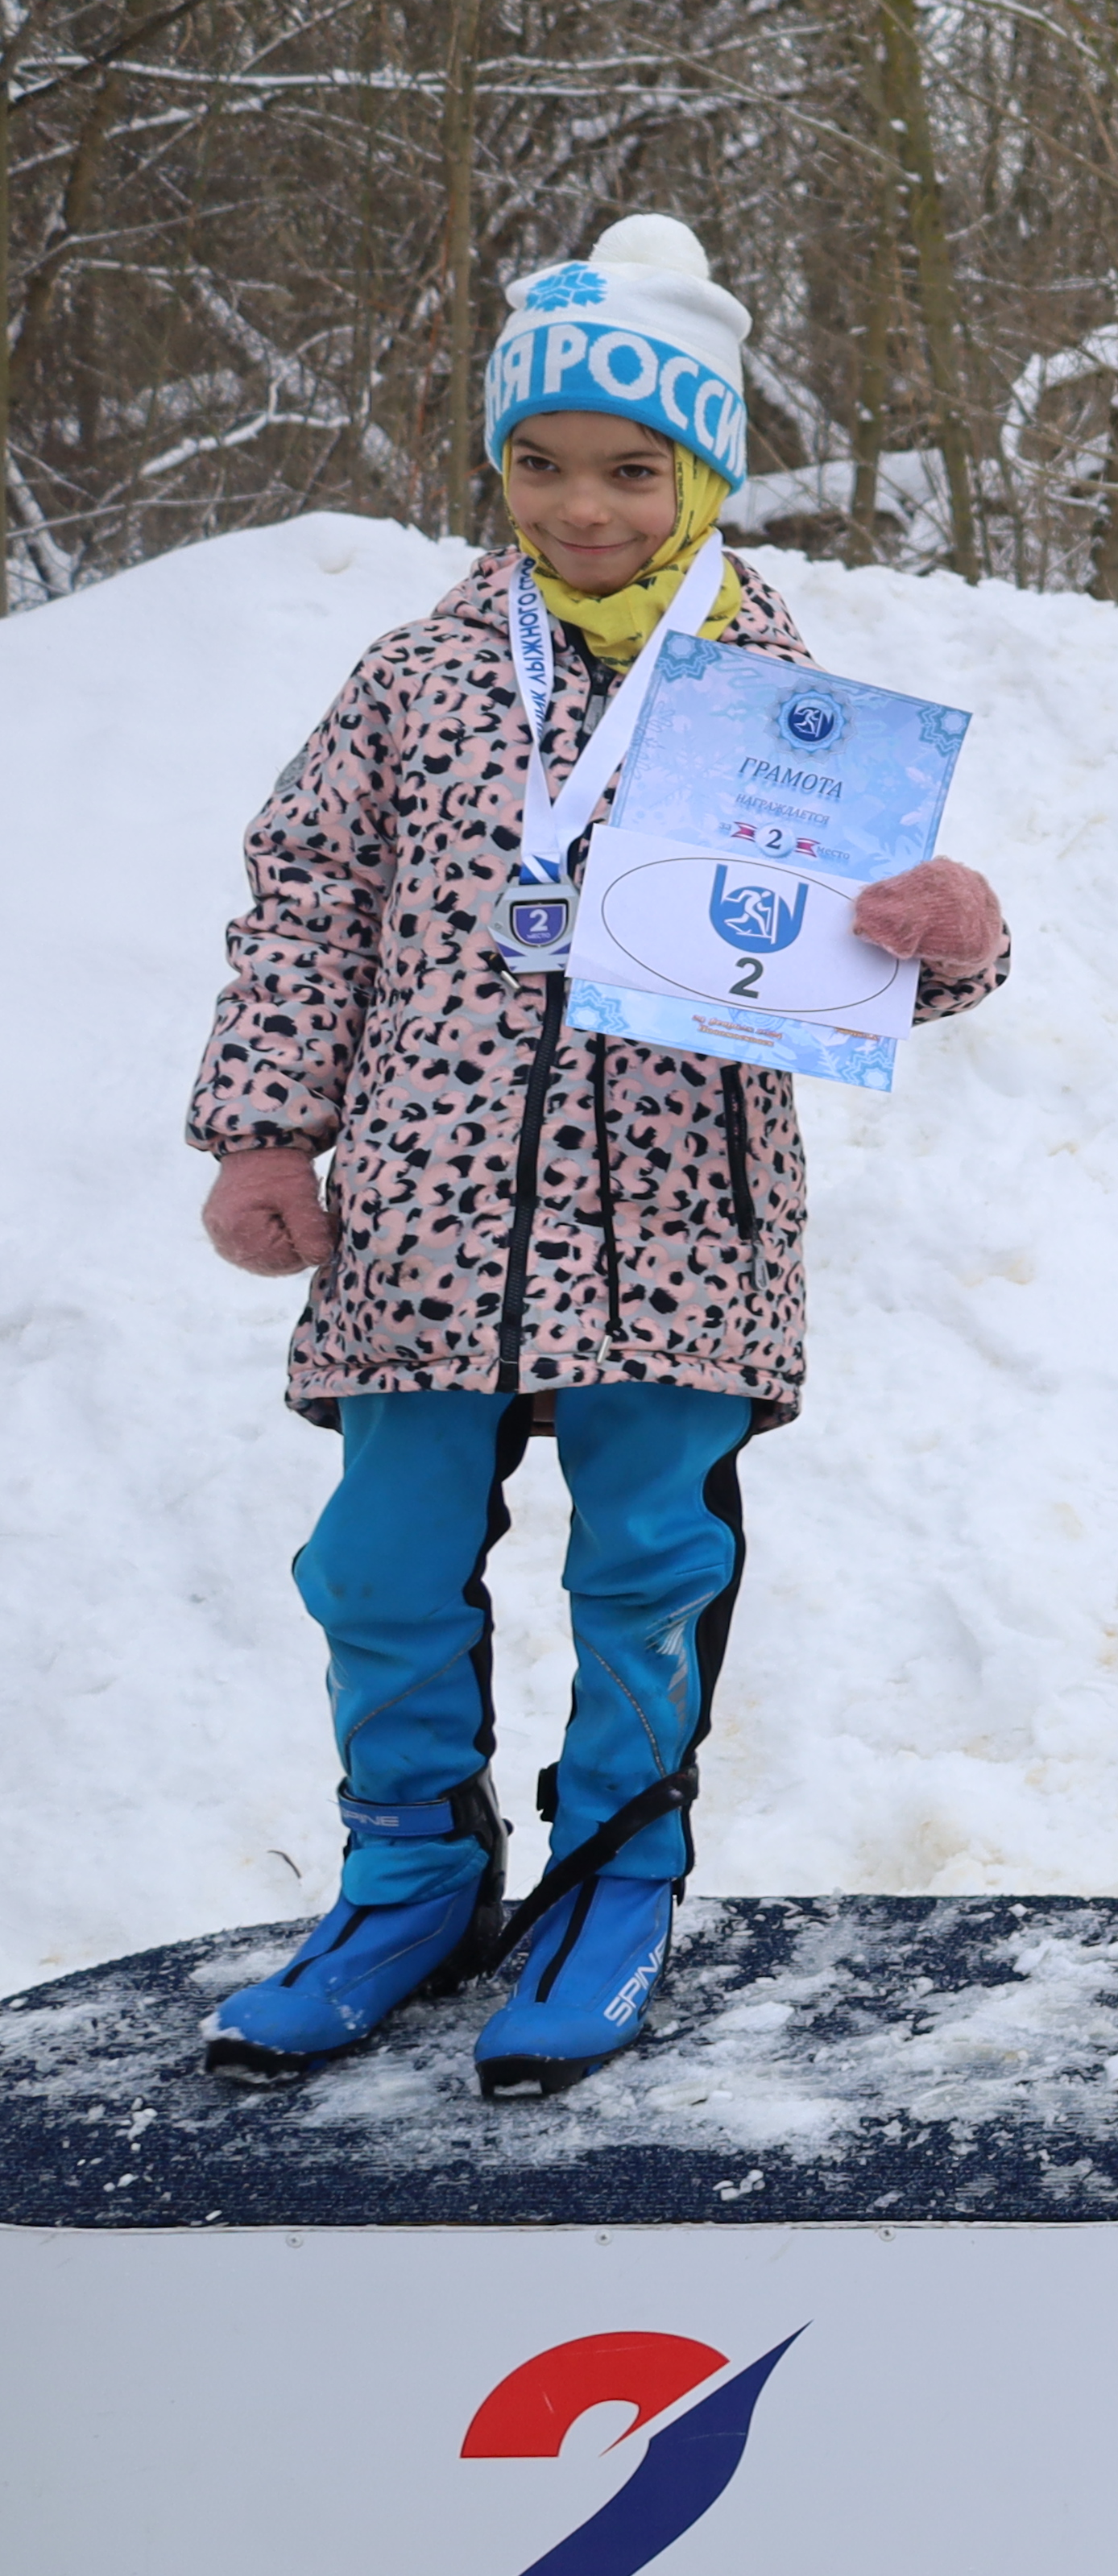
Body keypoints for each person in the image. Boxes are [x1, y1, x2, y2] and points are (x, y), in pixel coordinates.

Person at [188, 217, 1012, 2098]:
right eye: (544, 465)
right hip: (424, 1209)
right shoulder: (413, 677)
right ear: (501, 470)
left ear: (699, 475)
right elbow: (306, 892)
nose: (584, 506)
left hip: (677, 1215)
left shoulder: (772, 688)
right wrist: (265, 1125)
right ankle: (409, 1874)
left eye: (633, 470)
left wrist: (949, 933)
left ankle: (615, 1876)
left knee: (647, 1562)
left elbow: (850, 949)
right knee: (379, 1564)